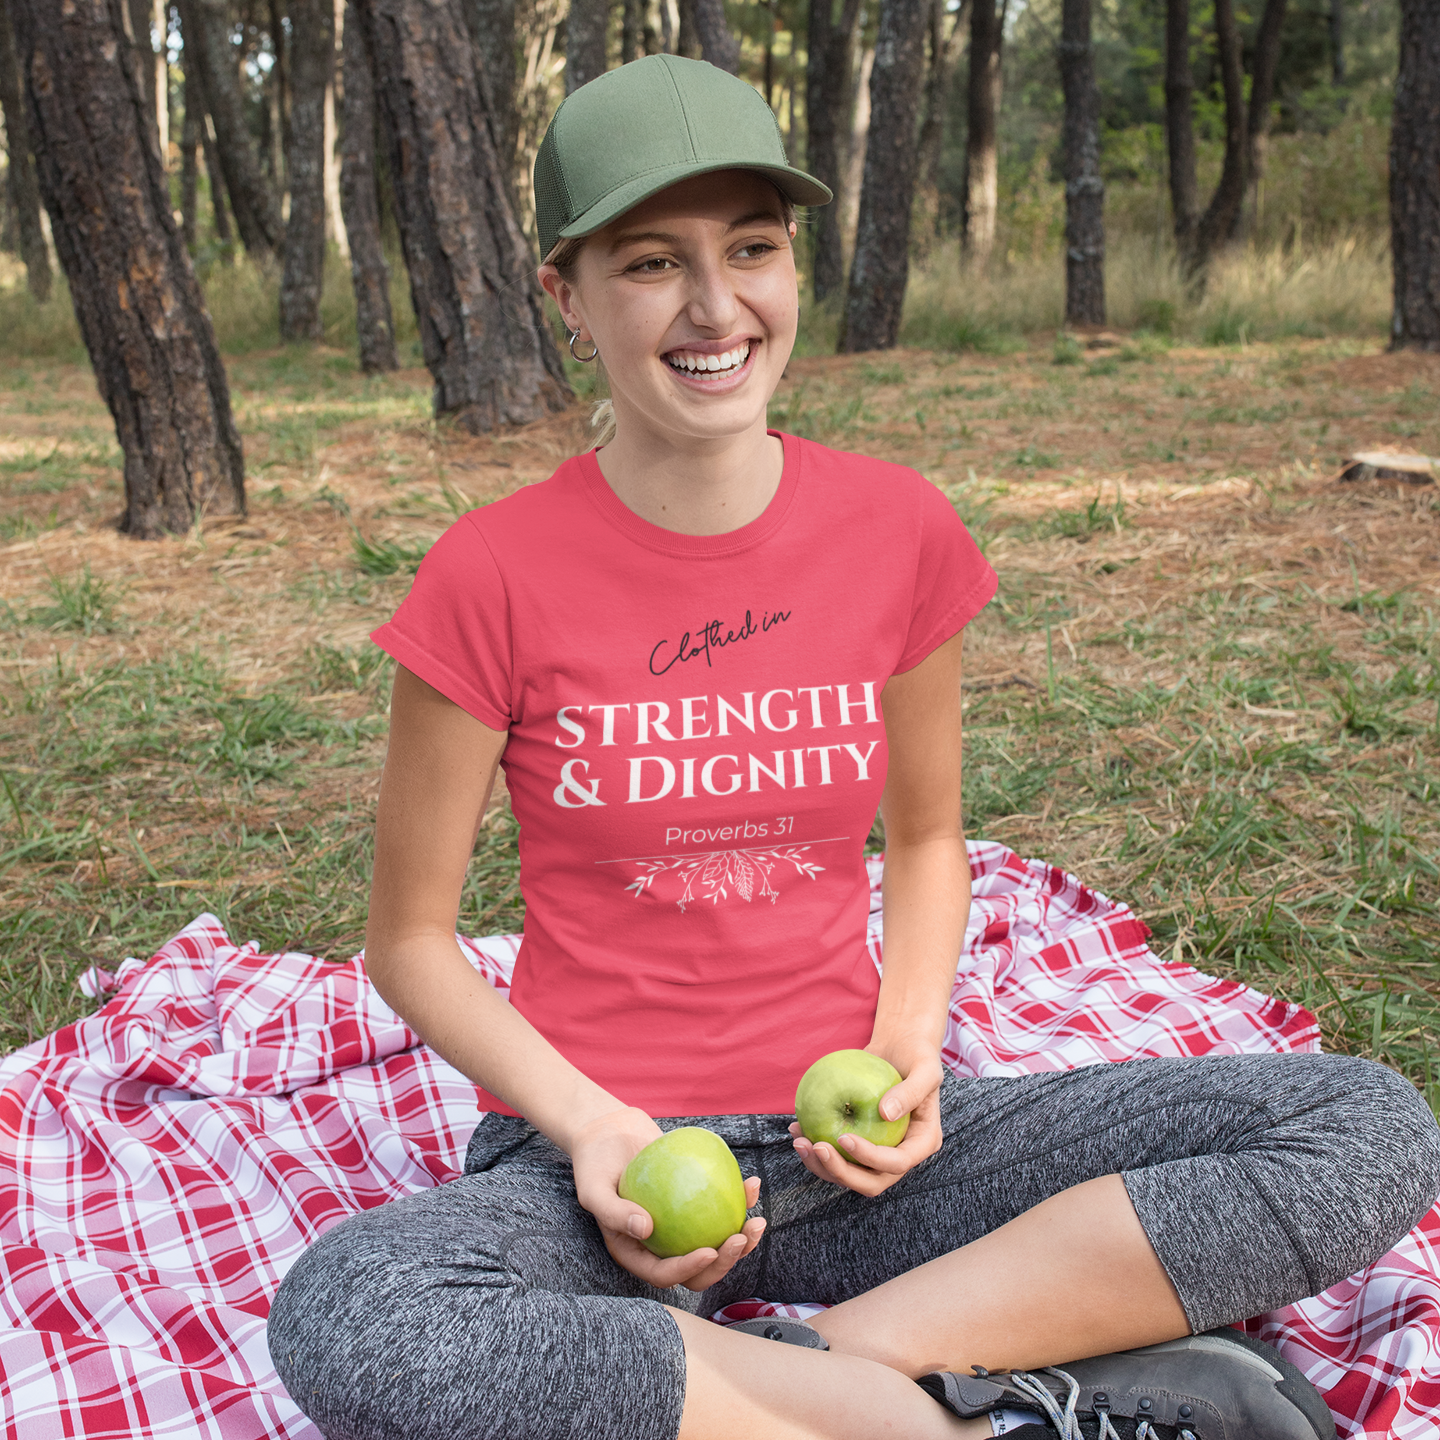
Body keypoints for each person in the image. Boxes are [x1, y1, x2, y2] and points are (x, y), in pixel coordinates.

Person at [267, 55, 1440, 1440]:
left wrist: (905, 1052)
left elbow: (929, 838)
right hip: (603, 1176)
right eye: (651, 263)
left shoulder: (896, 532)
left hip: (863, 1163)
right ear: (566, 296)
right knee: (351, 1311)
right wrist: (591, 1131)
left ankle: (831, 1373)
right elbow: (409, 941)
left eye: (751, 249)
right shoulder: (489, 575)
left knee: (1366, 1125)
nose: (716, 307)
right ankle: (963, 1422)